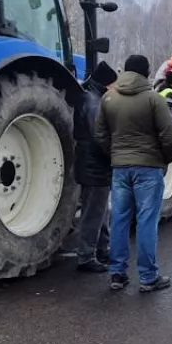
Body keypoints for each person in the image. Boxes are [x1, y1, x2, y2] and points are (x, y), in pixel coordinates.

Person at [95, 54, 172, 292]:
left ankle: (117, 273)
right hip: (148, 167)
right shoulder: (153, 99)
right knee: (146, 221)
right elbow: (169, 135)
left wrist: (115, 155)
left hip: (120, 168)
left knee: (119, 220)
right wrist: (166, 158)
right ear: (146, 72)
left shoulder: (108, 98)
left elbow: (100, 134)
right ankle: (148, 277)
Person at [72, 61, 117, 272]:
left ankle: (102, 248)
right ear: (107, 84)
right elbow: (99, 136)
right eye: (114, 84)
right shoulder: (94, 103)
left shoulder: (90, 97)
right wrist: (115, 155)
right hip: (94, 166)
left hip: (92, 164)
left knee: (101, 210)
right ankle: (86, 257)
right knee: (93, 212)